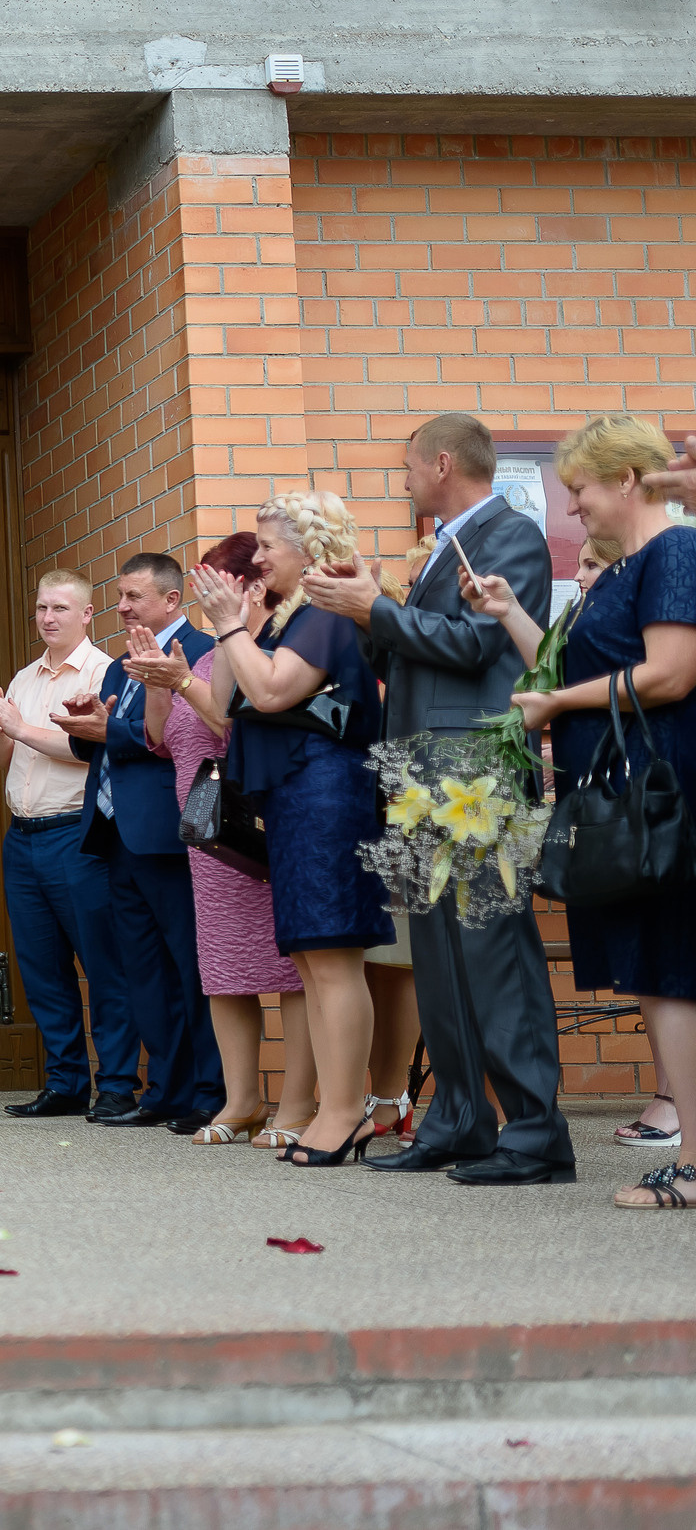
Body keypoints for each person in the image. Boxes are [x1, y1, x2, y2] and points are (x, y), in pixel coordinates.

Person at [303, 413, 575, 1188]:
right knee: (439, 955)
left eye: (409, 466)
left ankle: (535, 1130)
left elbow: (474, 644)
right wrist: (362, 609)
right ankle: (458, 1119)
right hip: (422, 774)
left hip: (474, 775)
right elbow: (402, 647)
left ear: (444, 462)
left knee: (494, 952)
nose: (405, 478)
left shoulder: (510, 536)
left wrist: (376, 610)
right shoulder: (438, 550)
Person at [503, 417, 696, 1211]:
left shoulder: (674, 552)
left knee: (675, 974)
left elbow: (673, 673)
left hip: (664, 800)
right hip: (628, 799)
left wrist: (558, 701)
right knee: (657, 977)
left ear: (626, 479)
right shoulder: (622, 572)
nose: (572, 508)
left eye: (579, 490)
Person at [189, 491, 396, 1168]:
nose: (258, 555)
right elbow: (227, 705)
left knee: (333, 959)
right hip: (293, 801)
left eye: (269, 544)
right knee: (312, 960)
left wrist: (228, 629)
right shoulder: (281, 621)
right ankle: (338, 1110)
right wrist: (237, 624)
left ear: (311, 551)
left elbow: (275, 692)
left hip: (328, 797)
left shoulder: (328, 616)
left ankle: (341, 1111)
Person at [125, 533, 316, 1149]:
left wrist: (181, 683)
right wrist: (159, 679)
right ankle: (242, 1101)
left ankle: (298, 1103)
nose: (208, 593)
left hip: (258, 833)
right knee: (225, 973)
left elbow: (237, 730)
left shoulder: (264, 649)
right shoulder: (202, 658)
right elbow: (162, 739)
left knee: (288, 973)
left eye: (217, 581)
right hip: (208, 842)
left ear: (251, 585)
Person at [61, 555, 220, 1132]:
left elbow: (189, 737)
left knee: (192, 970)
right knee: (144, 972)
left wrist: (112, 732)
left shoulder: (200, 653)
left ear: (172, 601)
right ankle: (165, 1094)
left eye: (133, 596)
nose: (122, 606)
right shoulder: (117, 667)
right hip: (115, 836)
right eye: (120, 595)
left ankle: (210, 1092)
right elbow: (103, 745)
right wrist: (84, 728)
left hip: (170, 836)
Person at [0, 572, 135, 1120]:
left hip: (76, 836)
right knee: (43, 969)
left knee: (102, 963)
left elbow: (84, 748)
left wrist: (19, 726)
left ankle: (116, 1085)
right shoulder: (24, 677)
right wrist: (3, 729)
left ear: (87, 614)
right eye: (42, 607)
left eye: (61, 608)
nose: (49, 618)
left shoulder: (101, 672)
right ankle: (66, 1084)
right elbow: (3, 760)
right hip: (22, 838)